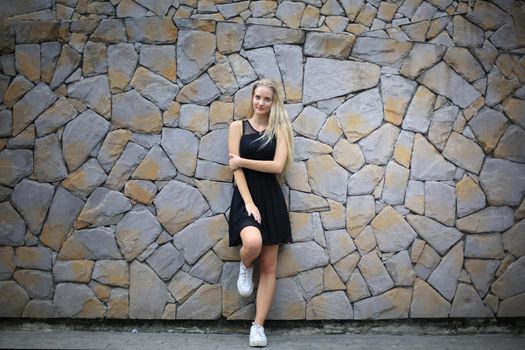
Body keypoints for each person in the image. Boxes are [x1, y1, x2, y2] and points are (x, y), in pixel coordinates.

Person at [228, 79, 294, 347]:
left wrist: (242, 160)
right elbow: (236, 172)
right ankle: (245, 265)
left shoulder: (281, 130)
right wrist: (249, 203)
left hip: (272, 199)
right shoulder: (237, 127)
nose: (261, 103)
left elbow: (278, 166)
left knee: (268, 268)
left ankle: (258, 327)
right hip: (245, 198)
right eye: (258, 97)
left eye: (266, 99)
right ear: (252, 97)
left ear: (273, 102)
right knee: (252, 243)